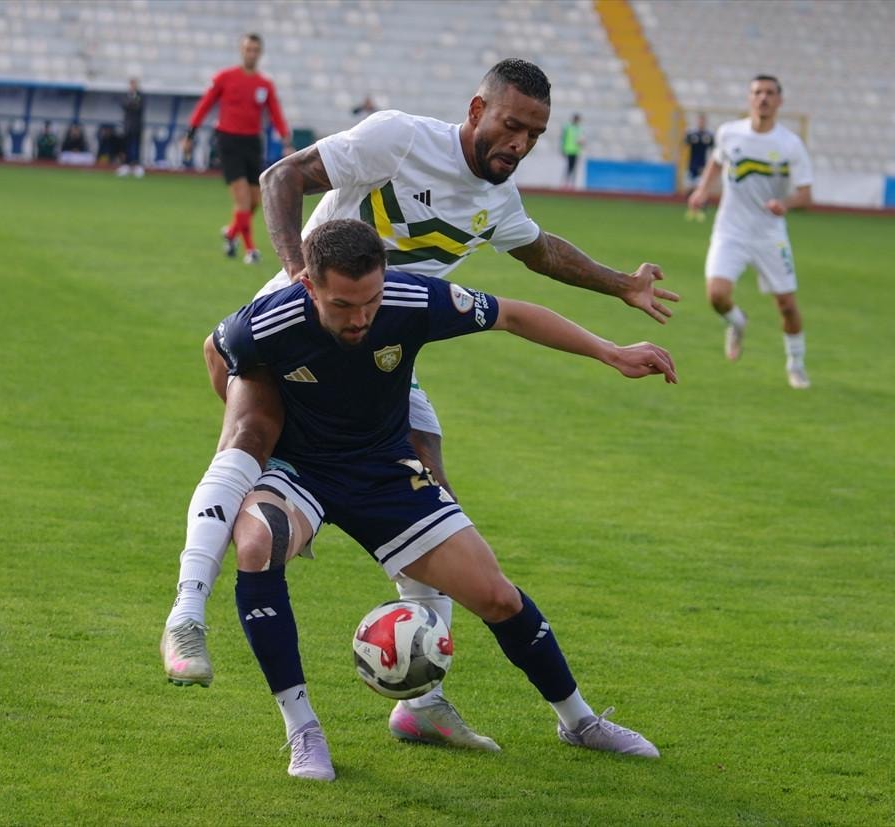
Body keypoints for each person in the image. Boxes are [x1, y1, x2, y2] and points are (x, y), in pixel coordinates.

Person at [160, 58, 679, 752]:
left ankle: (424, 700)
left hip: (382, 356)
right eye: (512, 125)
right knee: (251, 444)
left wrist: (621, 286)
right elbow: (282, 176)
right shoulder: (400, 139)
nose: (521, 143)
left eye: (535, 133)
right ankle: (189, 611)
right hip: (300, 335)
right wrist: (297, 277)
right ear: (477, 110)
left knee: (434, 501)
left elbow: (541, 254)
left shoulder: (496, 202)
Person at [209, 218, 675, 780]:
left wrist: (610, 352)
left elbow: (514, 314)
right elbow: (217, 353)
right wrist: (255, 438)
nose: (359, 318)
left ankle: (579, 721)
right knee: (257, 546)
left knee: (497, 596)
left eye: (371, 301)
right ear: (309, 285)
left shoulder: (412, 299)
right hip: (300, 471)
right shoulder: (269, 320)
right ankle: (303, 731)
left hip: (385, 472)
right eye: (342, 305)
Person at [688, 75, 813, 389]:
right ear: (749, 98)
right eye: (757, 92)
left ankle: (796, 364)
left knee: (787, 306)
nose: (763, 98)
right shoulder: (729, 133)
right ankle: (737, 321)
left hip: (770, 235)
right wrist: (702, 190)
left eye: (770, 93)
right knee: (716, 296)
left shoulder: (790, 145)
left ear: (779, 101)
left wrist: (785, 204)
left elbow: (805, 194)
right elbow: (717, 162)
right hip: (730, 231)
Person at [183, 33, 292, 262]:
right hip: (228, 140)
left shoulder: (265, 84)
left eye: (255, 50)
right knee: (242, 199)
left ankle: (232, 233)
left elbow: (275, 113)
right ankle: (250, 250)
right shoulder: (225, 77)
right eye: (248, 49)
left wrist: (286, 141)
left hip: (252, 142)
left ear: (260, 53)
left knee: (255, 201)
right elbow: (205, 105)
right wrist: (190, 134)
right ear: (241, 51)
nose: (251, 53)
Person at [683, 114, 714, 221]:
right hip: (691, 165)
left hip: (702, 166)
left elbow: (713, 150)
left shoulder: (708, 135)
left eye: (702, 121)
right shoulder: (692, 134)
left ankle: (701, 210)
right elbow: (685, 143)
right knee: (689, 188)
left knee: (701, 188)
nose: (701, 123)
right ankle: (692, 209)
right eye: (700, 121)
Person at [118, 78, 145, 177]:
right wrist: (133, 103)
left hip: (137, 126)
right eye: (131, 84)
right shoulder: (126, 95)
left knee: (136, 147)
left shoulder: (140, 96)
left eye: (134, 84)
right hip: (127, 126)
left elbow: (139, 106)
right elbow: (124, 105)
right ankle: (126, 165)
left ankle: (136, 166)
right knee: (126, 147)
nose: (133, 86)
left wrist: (131, 103)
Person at [560, 113, 583, 189]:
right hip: (568, 150)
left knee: (573, 168)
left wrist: (582, 143)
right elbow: (563, 138)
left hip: (576, 151)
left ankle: (572, 184)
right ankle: (566, 183)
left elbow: (582, 140)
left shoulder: (580, 129)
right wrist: (562, 148)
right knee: (569, 167)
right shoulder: (567, 127)